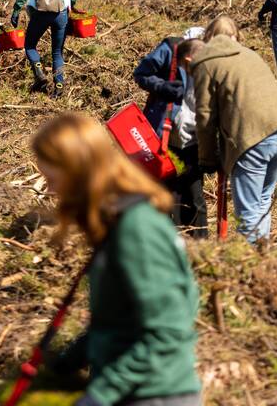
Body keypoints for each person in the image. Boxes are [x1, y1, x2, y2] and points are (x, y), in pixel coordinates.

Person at [33, 113, 201, 406]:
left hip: (154, 395)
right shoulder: (117, 224)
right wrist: (63, 365)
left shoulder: (138, 228)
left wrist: (100, 395)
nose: (51, 190)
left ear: (78, 171)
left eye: (52, 178)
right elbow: (116, 324)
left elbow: (166, 331)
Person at [178, 35, 277, 243]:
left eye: (186, 71)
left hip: (254, 137)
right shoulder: (245, 53)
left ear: (189, 61)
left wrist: (207, 160)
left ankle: (246, 266)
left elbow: (205, 117)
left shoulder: (204, 66)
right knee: (262, 200)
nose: (189, 76)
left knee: (247, 212)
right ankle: (263, 258)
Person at [133, 26, 207, 238]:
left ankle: (202, 246)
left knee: (195, 195)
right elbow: (141, 73)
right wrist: (164, 86)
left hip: (195, 136)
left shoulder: (213, 58)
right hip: (167, 134)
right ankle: (167, 240)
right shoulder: (170, 49)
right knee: (168, 191)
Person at [10, 0, 78, 95]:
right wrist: (71, 5)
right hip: (61, 13)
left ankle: (39, 72)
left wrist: (16, 10)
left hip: (40, 13)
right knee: (57, 52)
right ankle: (59, 87)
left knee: (29, 45)